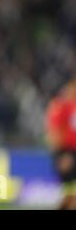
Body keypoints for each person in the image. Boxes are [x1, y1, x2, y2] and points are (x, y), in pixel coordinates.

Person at [45, 75, 76, 210]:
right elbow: (54, 132)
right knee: (68, 186)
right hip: (66, 151)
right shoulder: (60, 106)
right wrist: (60, 153)